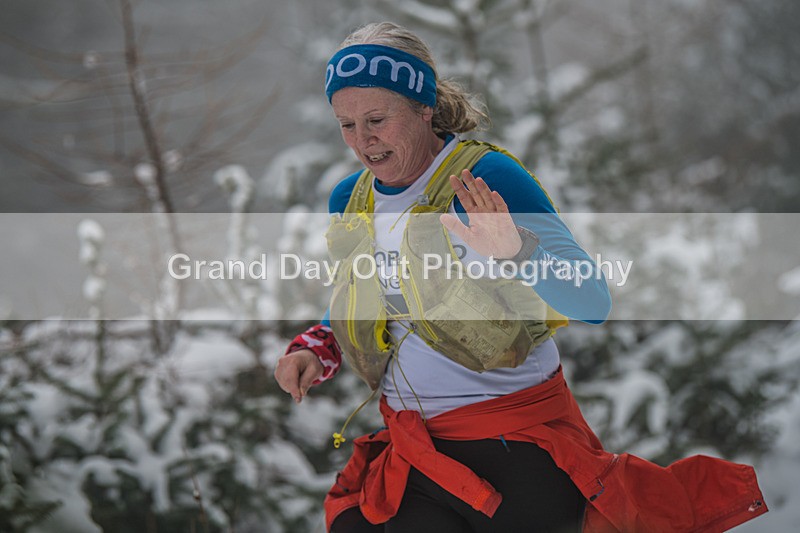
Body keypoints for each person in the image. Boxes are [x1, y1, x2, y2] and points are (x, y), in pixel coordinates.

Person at [274, 21, 767, 533]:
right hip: (416, 450)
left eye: (377, 119)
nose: (363, 140)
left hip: (516, 445)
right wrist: (318, 347)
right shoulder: (350, 199)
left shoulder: (487, 179)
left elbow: (591, 300)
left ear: (424, 107)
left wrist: (516, 250)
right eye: (346, 124)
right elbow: (365, 295)